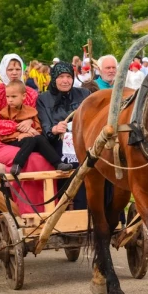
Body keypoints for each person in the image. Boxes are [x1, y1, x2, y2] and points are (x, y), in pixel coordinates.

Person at [0, 54, 52, 214]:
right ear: (3, 70)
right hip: (0, 144)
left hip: (27, 141)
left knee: (45, 160)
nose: (14, 72)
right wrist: (21, 126)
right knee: (31, 160)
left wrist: (30, 122)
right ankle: (28, 211)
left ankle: (49, 209)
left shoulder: (30, 93)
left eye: (17, 68)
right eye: (10, 69)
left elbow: (38, 120)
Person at [37, 61, 91, 210]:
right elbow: (45, 126)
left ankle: (92, 213)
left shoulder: (84, 94)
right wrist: (54, 129)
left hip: (82, 142)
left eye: (68, 76)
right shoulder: (44, 98)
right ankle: (69, 213)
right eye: (61, 76)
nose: (65, 80)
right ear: (54, 78)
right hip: (58, 145)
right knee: (74, 167)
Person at [0, 80, 72, 176]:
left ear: (23, 96)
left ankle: (58, 163)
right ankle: (17, 164)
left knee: (39, 138)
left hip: (30, 139)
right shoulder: (4, 113)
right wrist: (20, 134)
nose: (10, 100)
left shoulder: (30, 111)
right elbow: (3, 133)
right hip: (14, 141)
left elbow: (38, 130)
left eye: (13, 96)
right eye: (7, 97)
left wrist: (31, 131)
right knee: (30, 140)